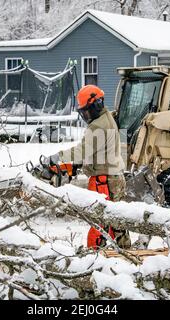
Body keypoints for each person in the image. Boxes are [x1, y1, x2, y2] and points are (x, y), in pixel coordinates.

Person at [45, 85, 131, 249]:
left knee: (99, 222)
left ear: (96, 104)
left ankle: (94, 255)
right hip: (114, 176)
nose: (86, 115)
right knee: (117, 221)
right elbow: (97, 149)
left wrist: (58, 157)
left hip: (103, 180)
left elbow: (82, 150)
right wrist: (80, 163)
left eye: (87, 111)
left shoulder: (98, 126)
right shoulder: (107, 117)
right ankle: (123, 252)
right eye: (83, 112)